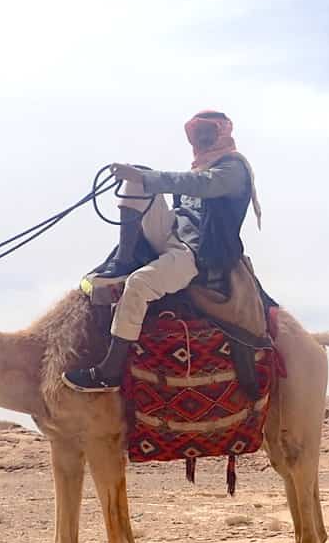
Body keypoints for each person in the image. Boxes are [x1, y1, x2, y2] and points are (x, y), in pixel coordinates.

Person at [63, 110, 260, 393]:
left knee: (139, 284)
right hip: (174, 235)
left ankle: (110, 371)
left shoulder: (233, 169)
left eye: (208, 131)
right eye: (197, 132)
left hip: (198, 253)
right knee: (138, 179)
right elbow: (178, 185)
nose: (202, 138)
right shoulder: (199, 168)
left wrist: (148, 177)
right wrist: (140, 176)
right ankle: (123, 259)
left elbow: (202, 185)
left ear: (223, 132)